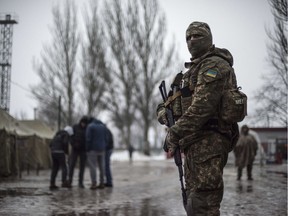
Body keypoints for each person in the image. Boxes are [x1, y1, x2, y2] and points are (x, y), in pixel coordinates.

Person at [157, 21, 239, 215]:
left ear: (208, 38)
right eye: (188, 37)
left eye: (197, 36)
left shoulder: (214, 66)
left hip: (209, 144)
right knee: (194, 203)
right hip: (194, 145)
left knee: (203, 204)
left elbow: (201, 109)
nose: (192, 40)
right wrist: (164, 114)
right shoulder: (190, 73)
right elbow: (169, 106)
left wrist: (173, 134)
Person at [49, 126, 73, 190]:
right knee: (64, 167)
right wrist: (66, 152)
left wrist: (53, 149)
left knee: (55, 168)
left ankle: (52, 183)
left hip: (53, 152)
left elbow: (50, 144)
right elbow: (65, 143)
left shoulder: (57, 135)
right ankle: (64, 182)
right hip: (60, 152)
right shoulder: (66, 135)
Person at [68, 116, 89, 188]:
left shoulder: (87, 129)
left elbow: (88, 139)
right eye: (83, 123)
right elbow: (71, 136)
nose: (84, 124)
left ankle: (80, 182)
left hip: (83, 150)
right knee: (72, 165)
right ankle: (69, 181)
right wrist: (73, 144)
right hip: (75, 149)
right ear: (81, 122)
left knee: (82, 167)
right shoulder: (75, 127)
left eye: (85, 123)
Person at [86, 118, 107, 190]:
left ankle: (94, 183)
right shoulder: (103, 127)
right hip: (102, 149)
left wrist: (87, 148)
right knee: (102, 166)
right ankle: (102, 183)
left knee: (93, 166)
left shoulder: (90, 126)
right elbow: (106, 138)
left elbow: (88, 138)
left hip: (92, 149)